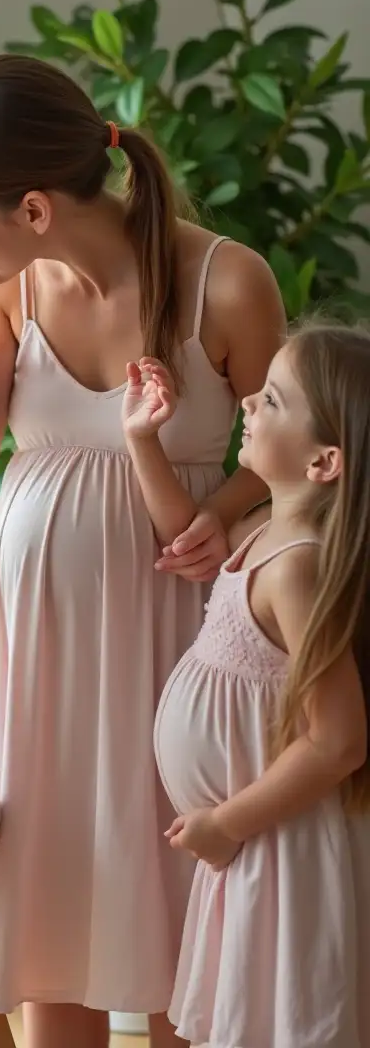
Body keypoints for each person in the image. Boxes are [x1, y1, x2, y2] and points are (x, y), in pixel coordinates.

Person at [0, 54, 286, 1048]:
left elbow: (296, 452)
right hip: (42, 635)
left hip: (177, 619)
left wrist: (233, 499)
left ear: (30, 206)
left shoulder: (227, 280)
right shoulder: (15, 287)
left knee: (169, 869)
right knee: (49, 866)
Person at [124, 325, 370, 1047]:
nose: (248, 406)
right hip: (250, 842)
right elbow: (184, 537)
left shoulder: (298, 566)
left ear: (324, 460)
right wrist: (143, 441)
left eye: (272, 399)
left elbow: (338, 741)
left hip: (278, 839)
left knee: (289, 1020)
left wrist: (226, 825)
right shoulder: (262, 527)